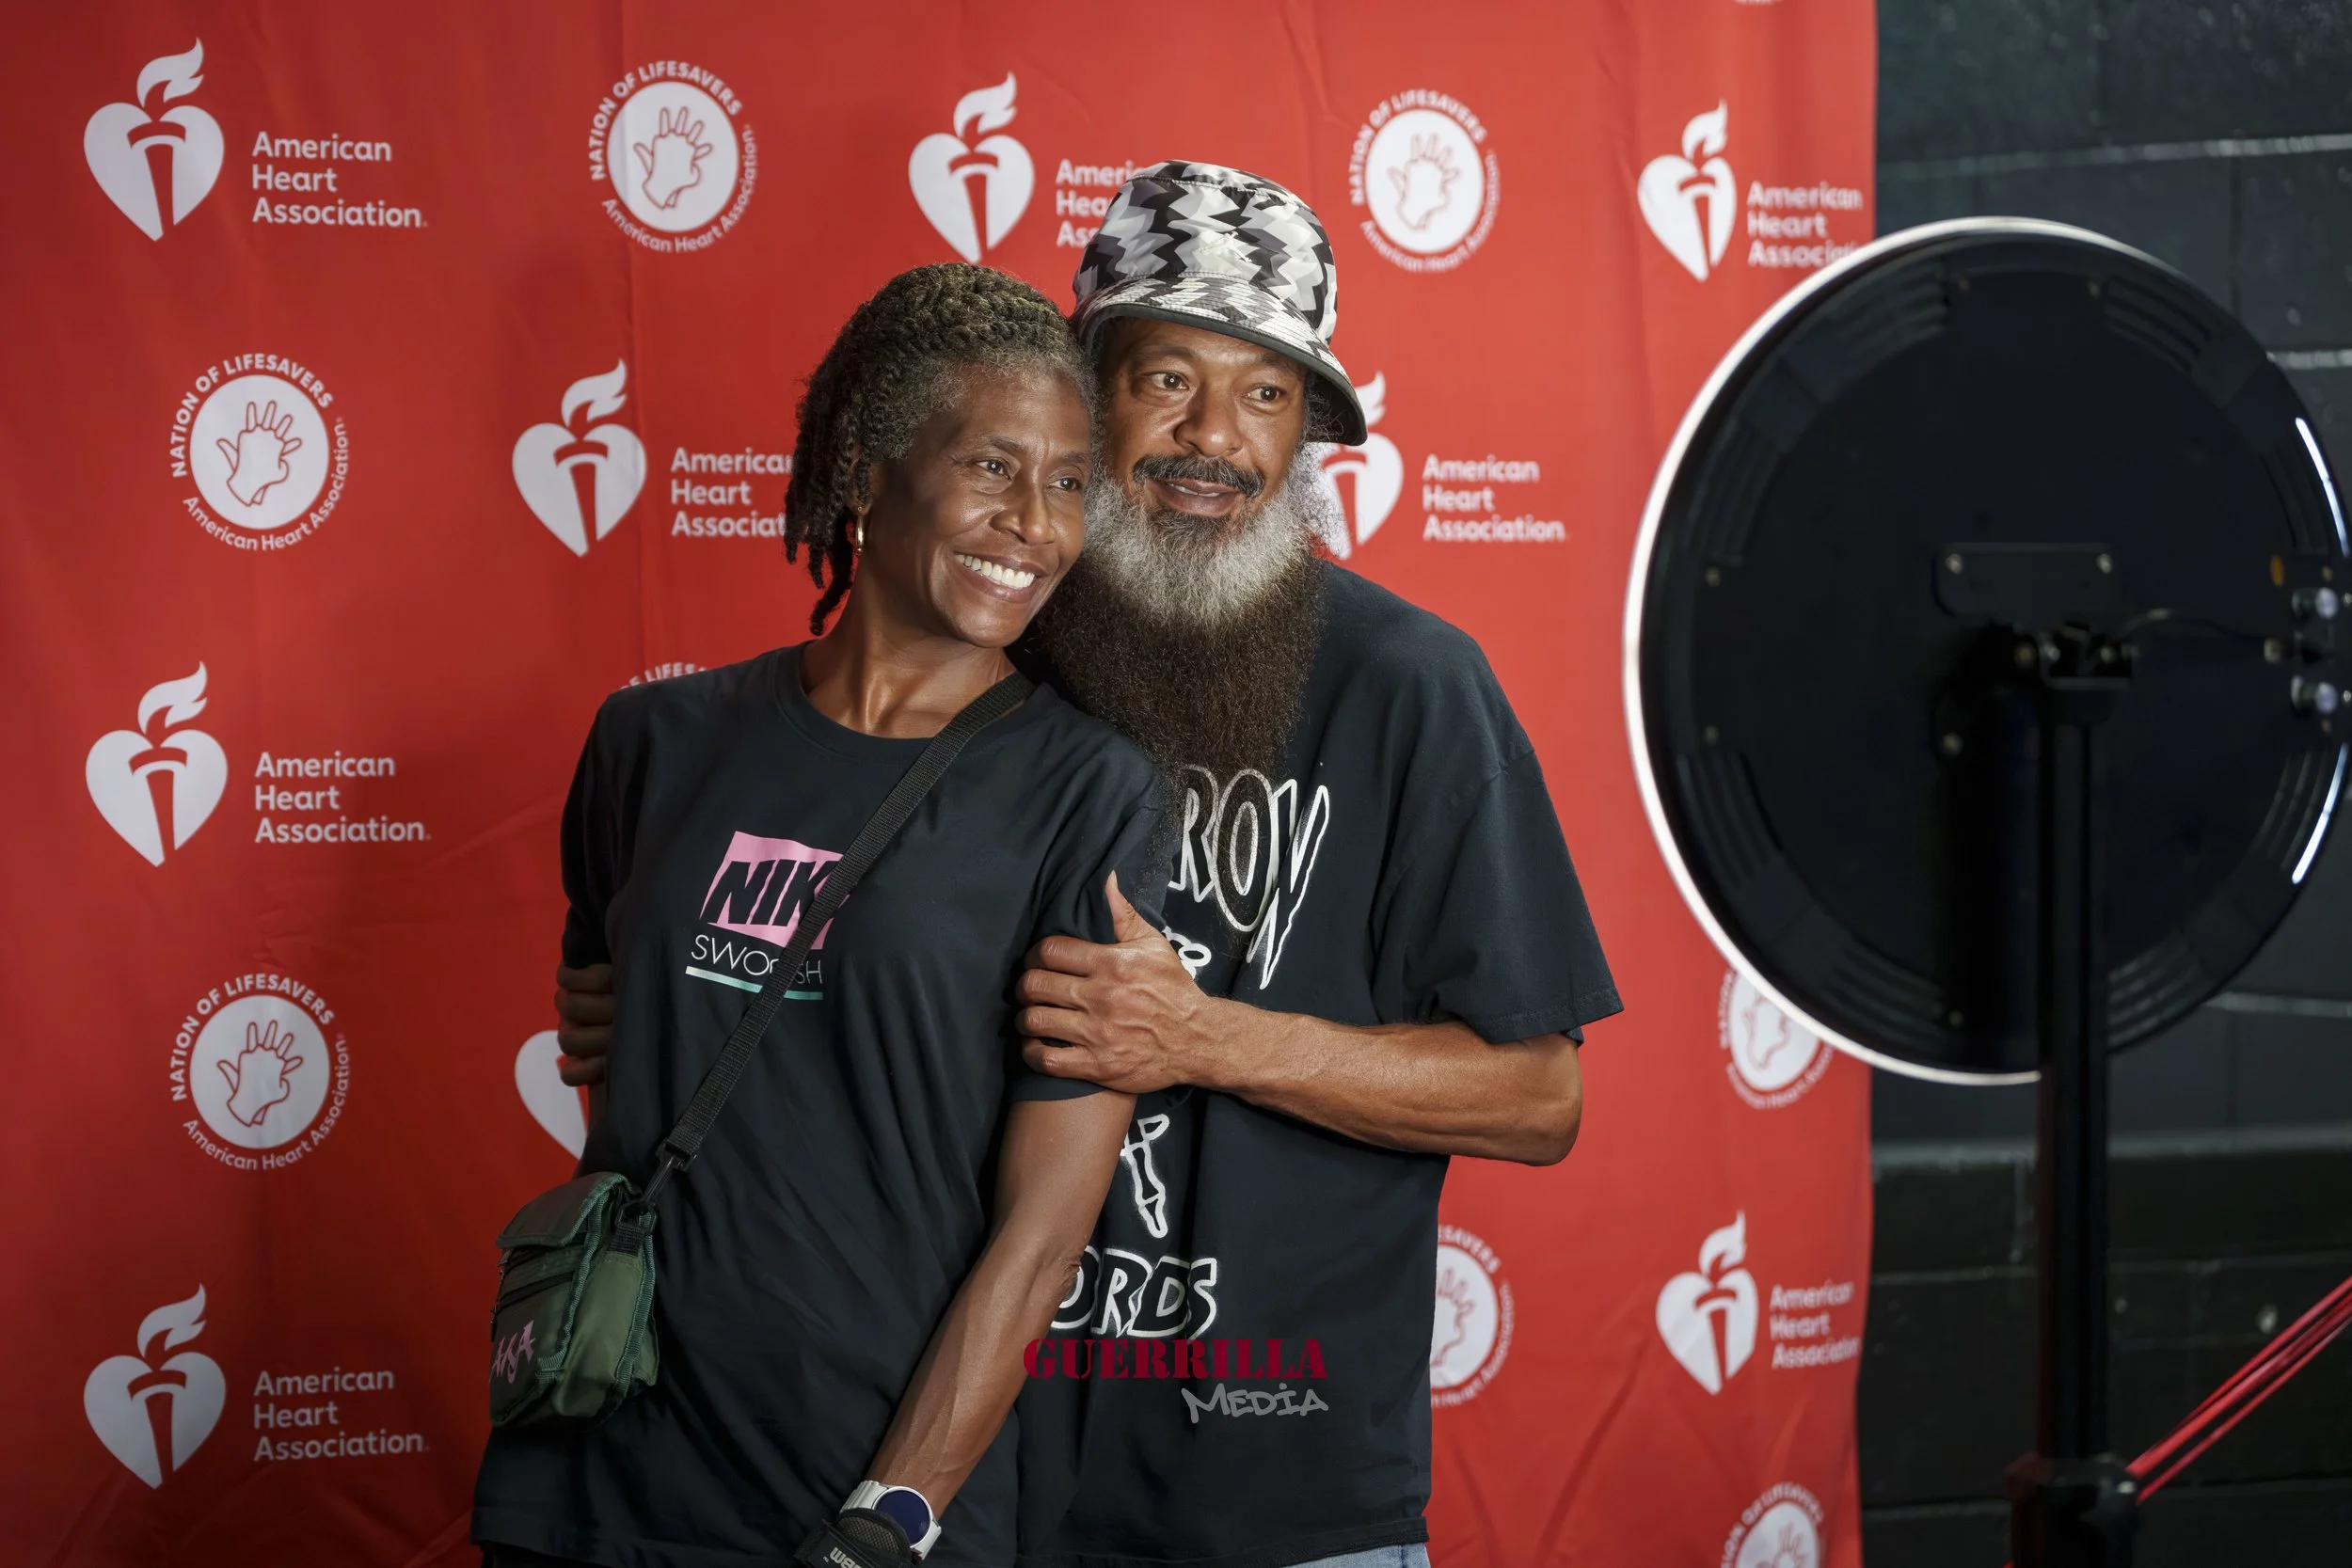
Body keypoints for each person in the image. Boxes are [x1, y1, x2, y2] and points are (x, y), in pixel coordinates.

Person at [556, 166, 1620, 1568]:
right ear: (1082, 387)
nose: (1215, 439)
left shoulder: (1407, 685)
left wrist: (1207, 1036)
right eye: (1167, 378)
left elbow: (1540, 1096)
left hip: (1273, 1488)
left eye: (1269, 396)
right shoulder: (986, 629)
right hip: (962, 1470)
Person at [476, 263, 1170, 1568]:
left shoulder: (1089, 793)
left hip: (866, 1502)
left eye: (1069, 481)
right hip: (596, 1466)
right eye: (990, 466)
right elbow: (612, 1045)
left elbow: (1046, 1228)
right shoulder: (653, 743)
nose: (1033, 522)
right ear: (863, 471)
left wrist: (890, 1516)